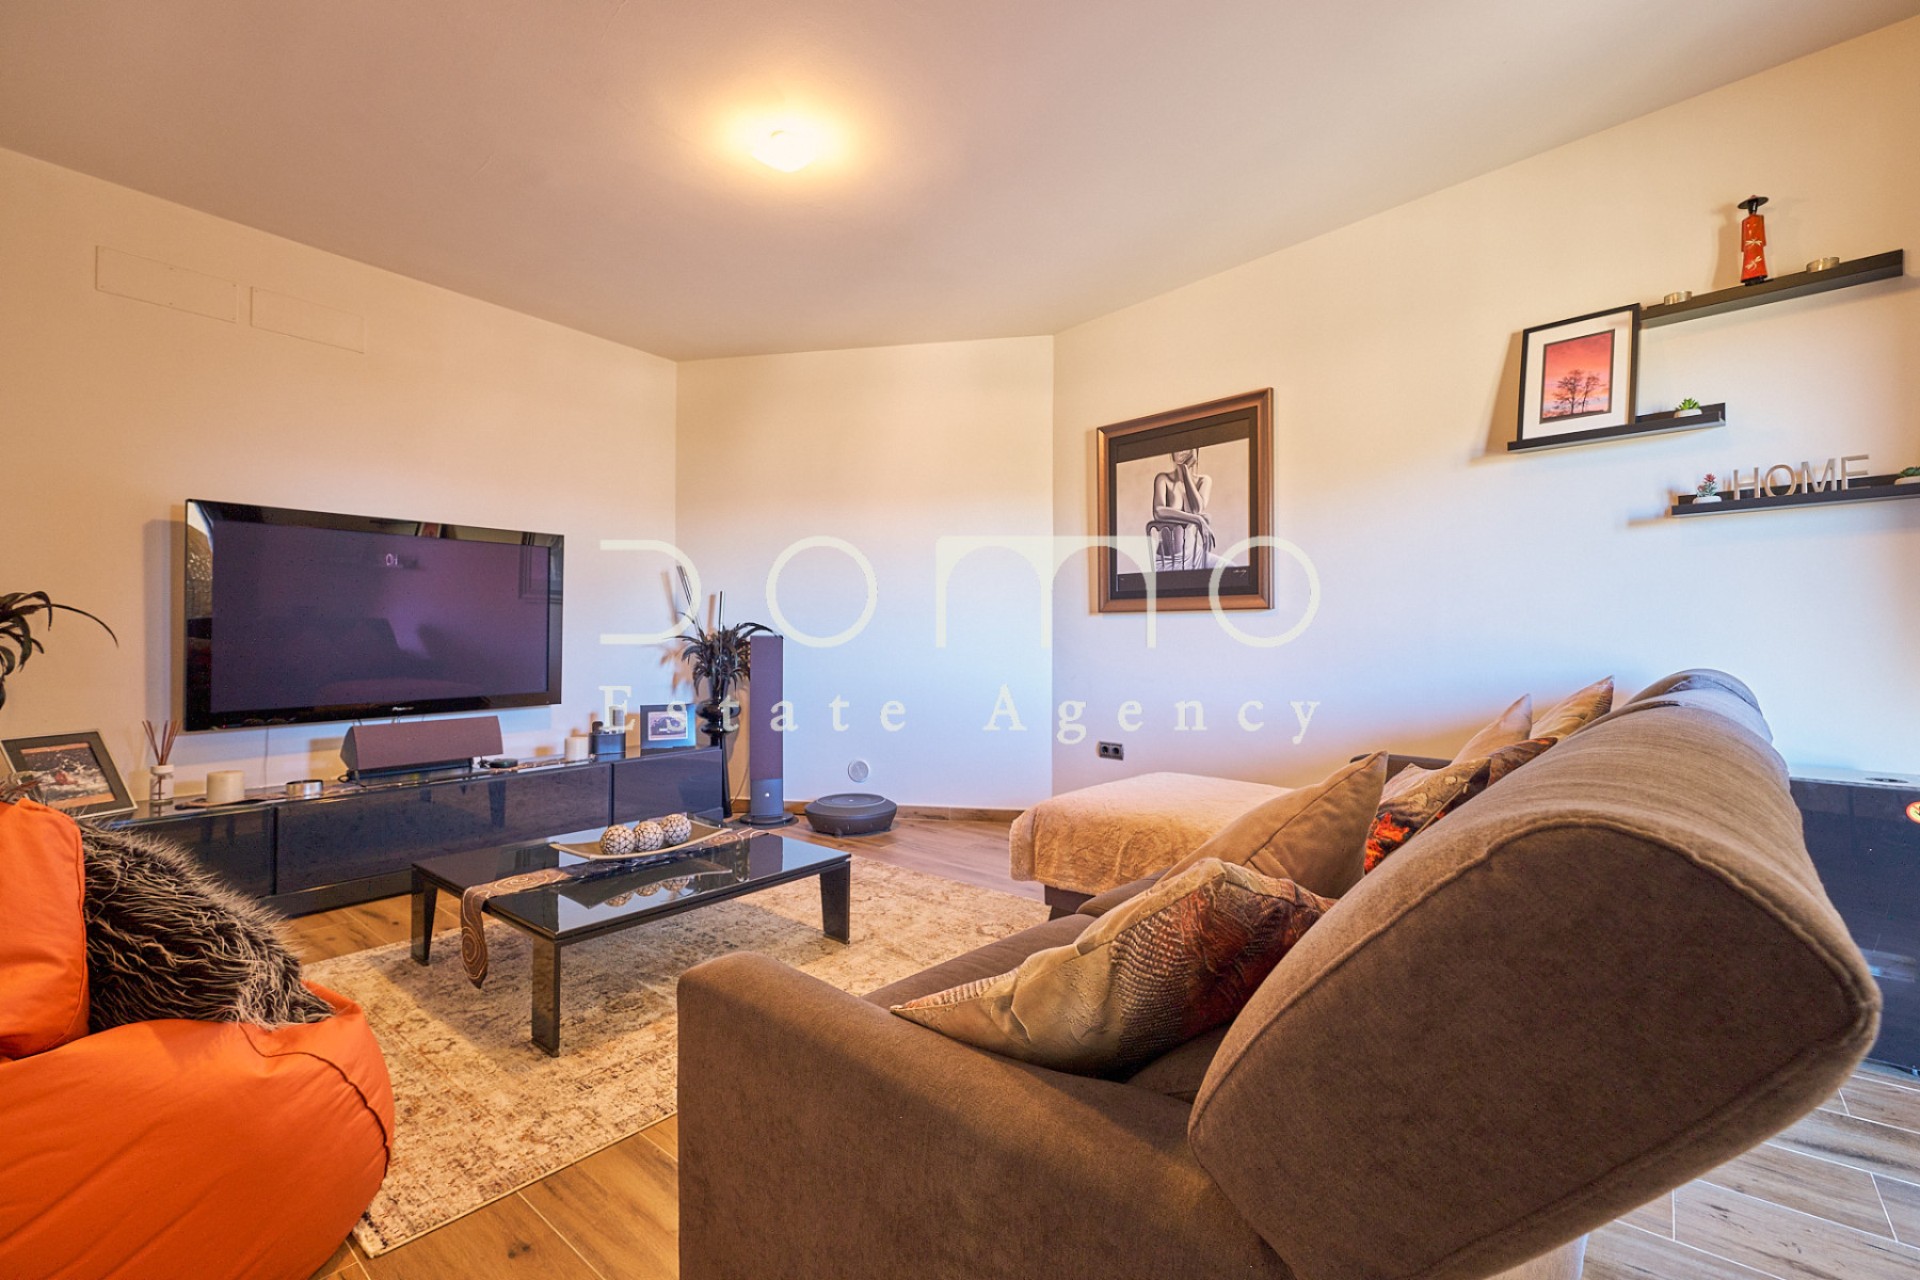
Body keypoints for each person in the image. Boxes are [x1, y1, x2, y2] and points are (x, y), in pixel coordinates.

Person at [1150, 448, 1217, 569]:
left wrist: (1185, 472)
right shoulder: (1163, 479)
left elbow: (1197, 509)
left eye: (1188, 448)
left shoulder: (1203, 480)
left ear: (1196, 451)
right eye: (1178, 448)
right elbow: (1158, 512)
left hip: (1195, 555)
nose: (1182, 452)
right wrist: (1198, 520)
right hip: (1168, 560)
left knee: (1234, 570)